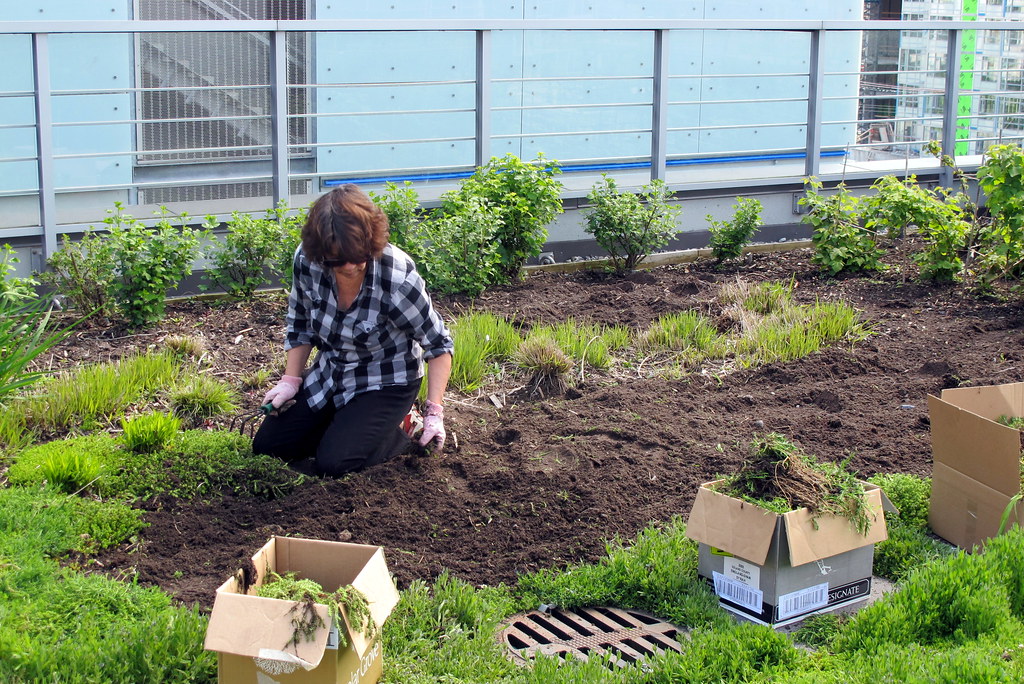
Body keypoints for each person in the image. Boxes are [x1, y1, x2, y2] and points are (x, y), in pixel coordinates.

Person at [252, 184, 453, 476]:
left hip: (387, 379)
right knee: (269, 447)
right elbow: (300, 323)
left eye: (359, 256)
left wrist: (435, 411)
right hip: (332, 371)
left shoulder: (396, 277)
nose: (349, 267)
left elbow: (439, 345)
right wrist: (290, 380)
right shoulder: (307, 262)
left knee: (334, 464)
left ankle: (402, 428)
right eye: (337, 260)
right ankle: (348, 426)